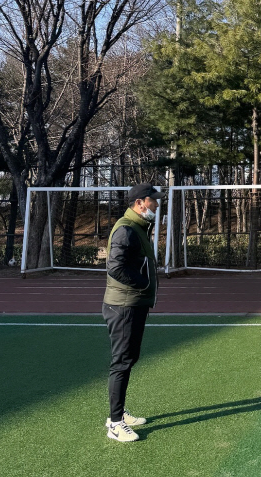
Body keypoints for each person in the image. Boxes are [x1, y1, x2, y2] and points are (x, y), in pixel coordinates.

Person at [102, 183, 161, 442]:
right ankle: (115, 424)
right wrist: (144, 283)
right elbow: (115, 266)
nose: (157, 206)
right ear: (140, 203)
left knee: (129, 359)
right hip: (124, 305)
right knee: (122, 362)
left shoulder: (138, 227)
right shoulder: (126, 229)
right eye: (153, 201)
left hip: (133, 304)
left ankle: (119, 413)